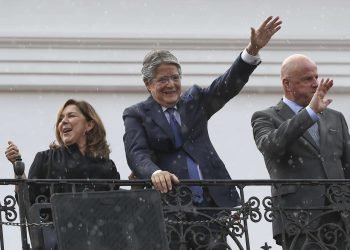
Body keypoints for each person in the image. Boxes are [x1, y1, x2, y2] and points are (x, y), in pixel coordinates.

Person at [123, 16, 282, 249]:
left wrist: (252, 49)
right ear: (148, 84)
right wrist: (155, 172)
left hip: (211, 204)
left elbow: (226, 85)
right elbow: (137, 154)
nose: (171, 84)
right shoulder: (136, 113)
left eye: (175, 77)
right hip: (170, 206)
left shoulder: (194, 100)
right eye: (163, 79)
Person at [251, 54, 350, 249]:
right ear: (287, 84)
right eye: (307, 79)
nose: (315, 83)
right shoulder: (265, 117)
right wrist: (309, 113)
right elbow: (271, 147)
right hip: (299, 220)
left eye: (316, 76)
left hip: (341, 220)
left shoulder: (335, 117)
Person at [5, 99, 120, 250]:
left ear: (89, 125)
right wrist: (17, 167)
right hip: (58, 242)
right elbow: (27, 203)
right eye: (61, 119)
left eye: (71, 116)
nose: (63, 122)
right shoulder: (45, 159)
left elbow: (117, 209)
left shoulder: (106, 166)